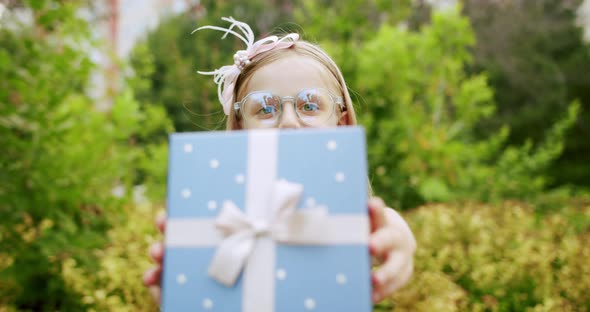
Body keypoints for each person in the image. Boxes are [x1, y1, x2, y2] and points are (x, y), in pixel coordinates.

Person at [143, 17, 416, 305]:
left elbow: (389, 229)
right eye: (264, 108)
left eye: (310, 105)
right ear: (239, 127)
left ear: (342, 121)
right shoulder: (218, 213)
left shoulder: (355, 217)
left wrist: (399, 243)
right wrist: (180, 289)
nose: (288, 122)